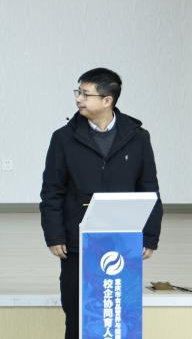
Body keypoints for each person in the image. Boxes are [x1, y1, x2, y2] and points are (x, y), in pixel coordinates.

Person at [40, 67, 162, 339]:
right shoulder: (63, 138)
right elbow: (52, 191)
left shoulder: (138, 137)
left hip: (123, 239)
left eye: (86, 94)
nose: (78, 99)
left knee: (120, 310)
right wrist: (54, 235)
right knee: (77, 309)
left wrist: (150, 236)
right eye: (78, 92)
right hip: (77, 240)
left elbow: (149, 188)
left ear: (108, 100)